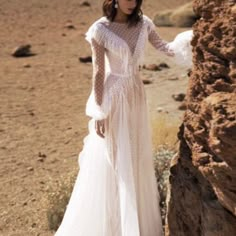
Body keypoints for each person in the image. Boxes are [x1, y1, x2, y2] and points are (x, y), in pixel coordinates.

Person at [55, 0, 193, 235]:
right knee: (115, 158)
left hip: (136, 96)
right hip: (114, 97)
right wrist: (100, 111)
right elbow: (99, 72)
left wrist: (191, 40)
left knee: (136, 155)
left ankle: (135, 224)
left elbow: (165, 48)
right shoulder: (100, 29)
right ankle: (113, 226)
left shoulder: (144, 23)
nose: (132, 3)